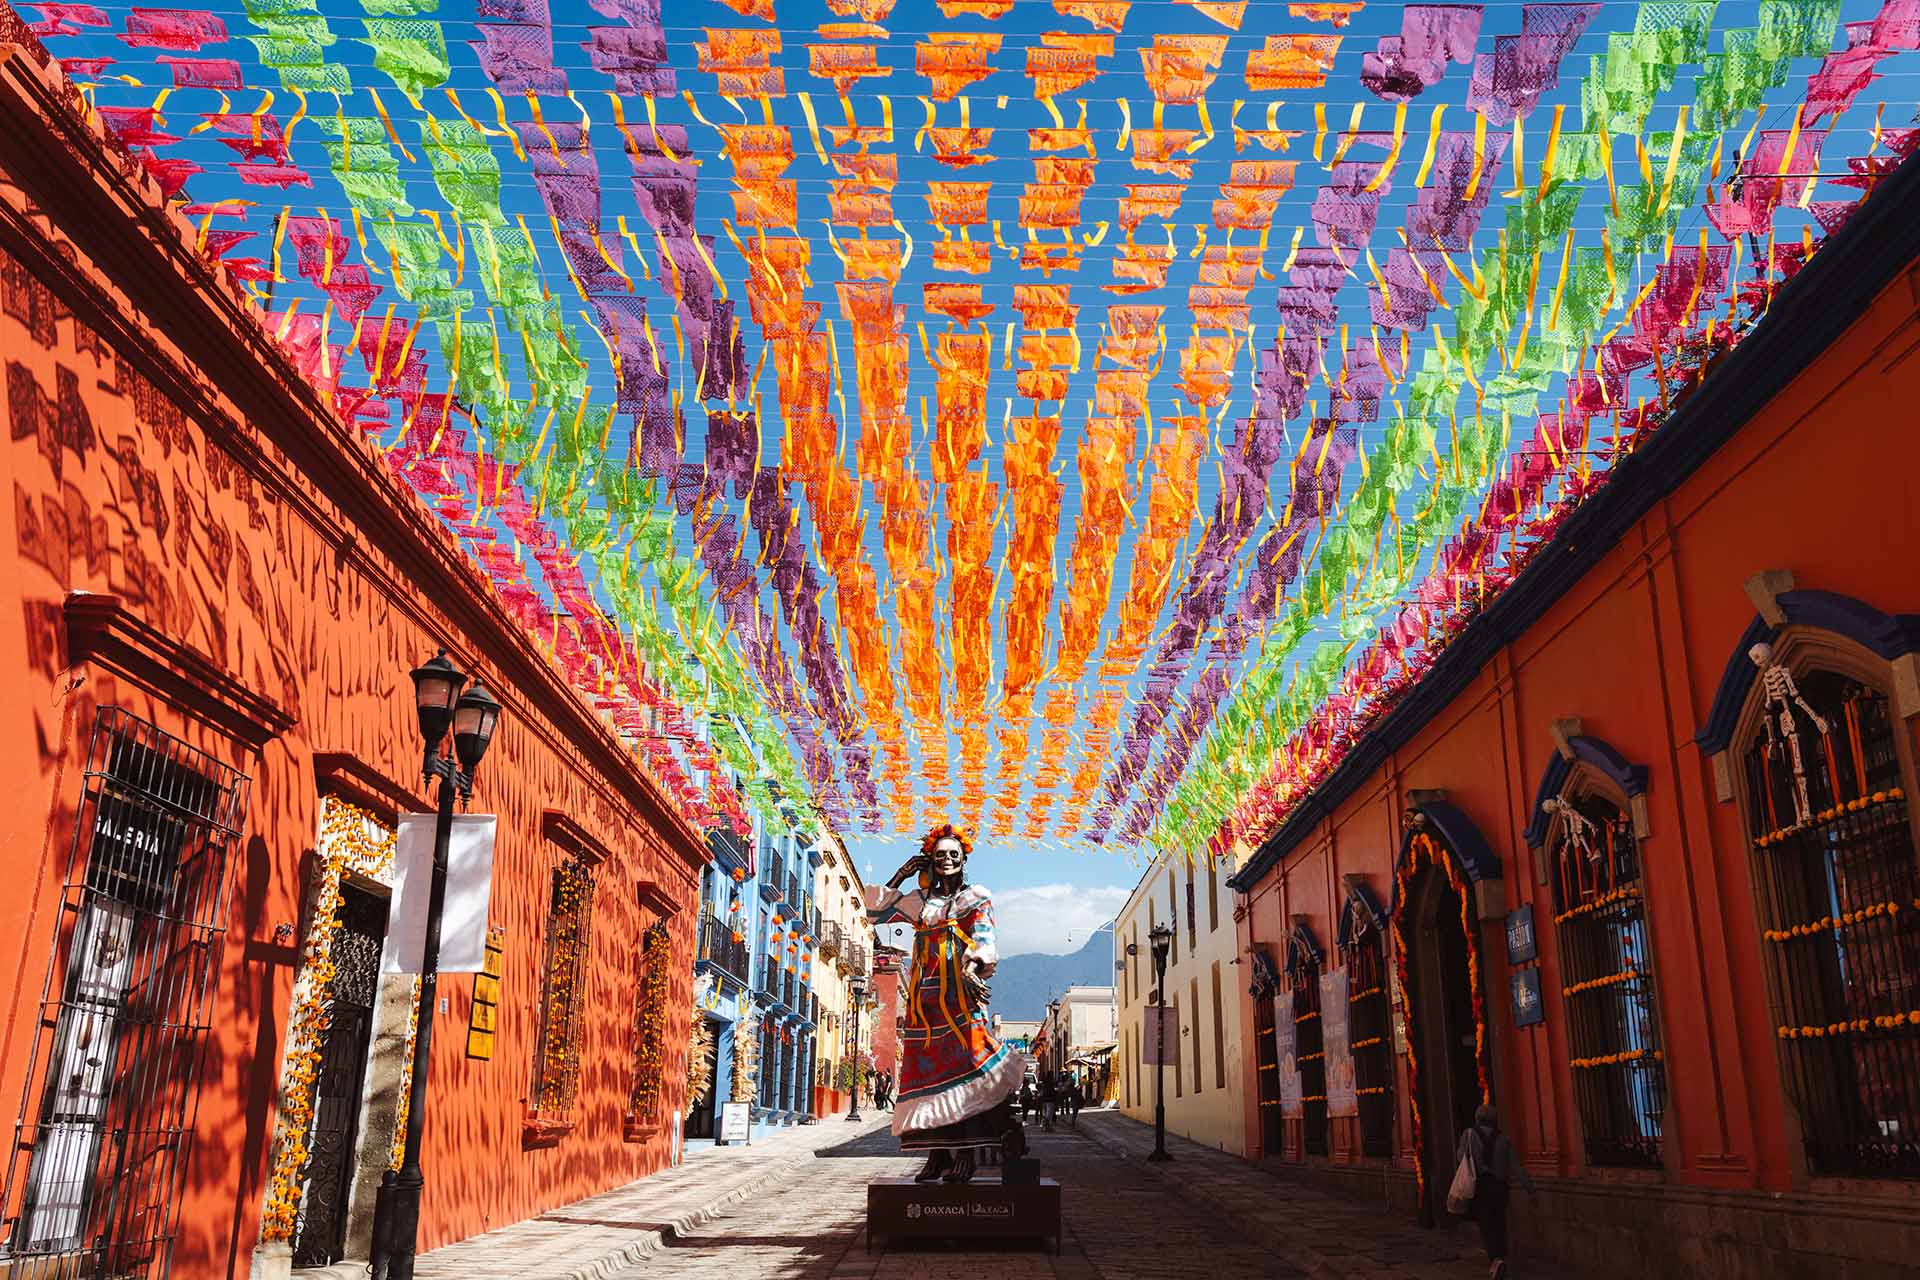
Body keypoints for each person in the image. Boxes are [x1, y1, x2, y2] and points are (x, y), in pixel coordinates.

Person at [868, 824, 1026, 1183]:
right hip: (925, 1004)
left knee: (966, 1071)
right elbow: (876, 913)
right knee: (927, 1075)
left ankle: (967, 1158)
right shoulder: (921, 903)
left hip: (959, 997)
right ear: (931, 860)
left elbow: (985, 933)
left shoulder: (975, 899)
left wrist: (973, 967)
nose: (947, 859)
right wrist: (902, 874)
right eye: (940, 855)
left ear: (963, 858)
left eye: (954, 854)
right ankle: (937, 1156)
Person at [1454, 1103, 1534, 1279]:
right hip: (1500, 1188)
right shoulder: (1503, 1140)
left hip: (1482, 1187)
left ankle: (1495, 1260)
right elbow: (1515, 1166)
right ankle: (1499, 1257)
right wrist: (1530, 1188)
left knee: (1486, 1224)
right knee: (1499, 1222)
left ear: (1478, 1118)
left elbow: (1461, 1158)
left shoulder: (1469, 1135)